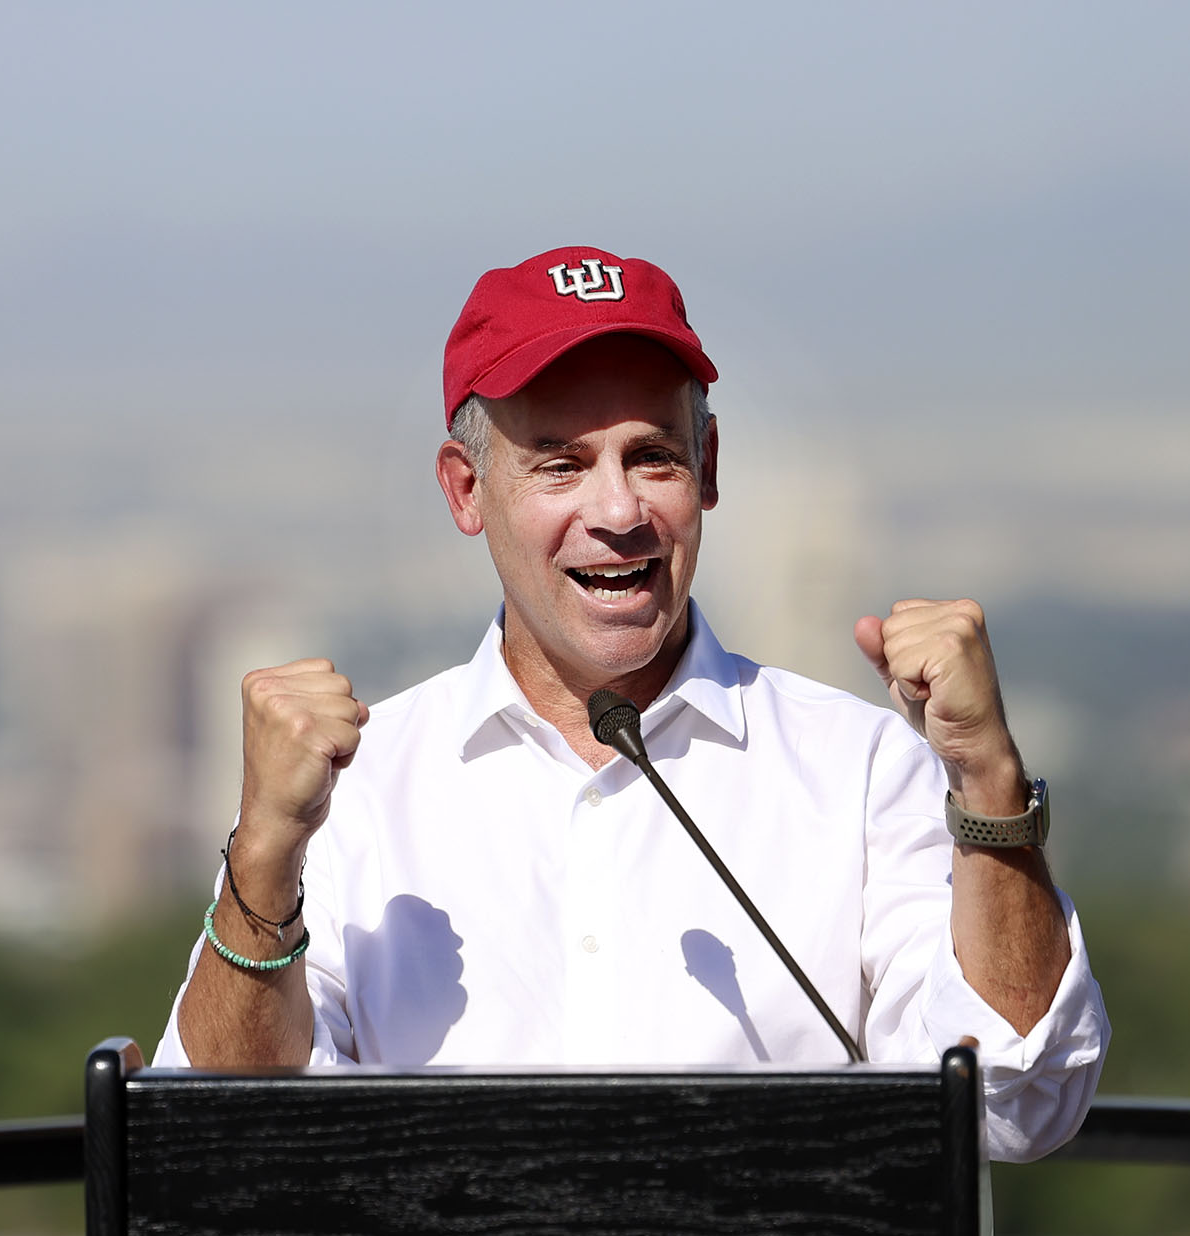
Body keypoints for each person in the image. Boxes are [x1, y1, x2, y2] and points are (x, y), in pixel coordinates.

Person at [156, 246, 1107, 1160]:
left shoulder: (860, 771)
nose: (617, 512)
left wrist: (987, 778)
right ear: (465, 487)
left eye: (651, 456)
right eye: (561, 463)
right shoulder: (357, 791)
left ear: (711, 465)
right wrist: (268, 852)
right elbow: (218, 1144)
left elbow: (1016, 1108)